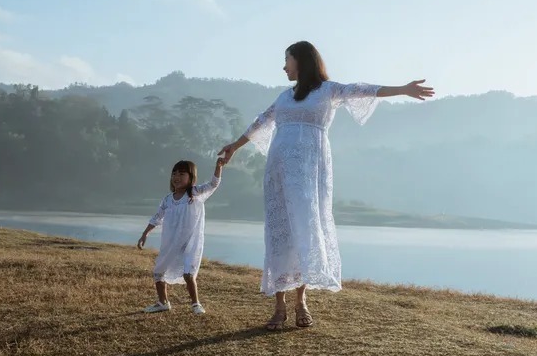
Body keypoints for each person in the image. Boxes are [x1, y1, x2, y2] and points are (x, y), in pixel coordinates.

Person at [218, 41, 433, 330]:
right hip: (278, 171)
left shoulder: (328, 91)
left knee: (306, 229)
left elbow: (365, 89)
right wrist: (235, 146)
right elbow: (261, 121)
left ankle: (301, 301)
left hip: (309, 171)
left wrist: (402, 89)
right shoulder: (283, 97)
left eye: (287, 60)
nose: (284, 67)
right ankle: (279, 306)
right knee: (280, 231)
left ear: (302, 61)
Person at [137, 157, 224, 315]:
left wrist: (218, 167)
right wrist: (145, 233)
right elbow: (157, 217)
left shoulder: (195, 194)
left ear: (191, 177)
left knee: (188, 273)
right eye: (174, 173)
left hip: (190, 241)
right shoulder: (168, 200)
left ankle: (196, 304)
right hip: (171, 242)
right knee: (158, 271)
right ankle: (163, 302)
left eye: (182, 174)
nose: (177, 177)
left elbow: (213, 184)